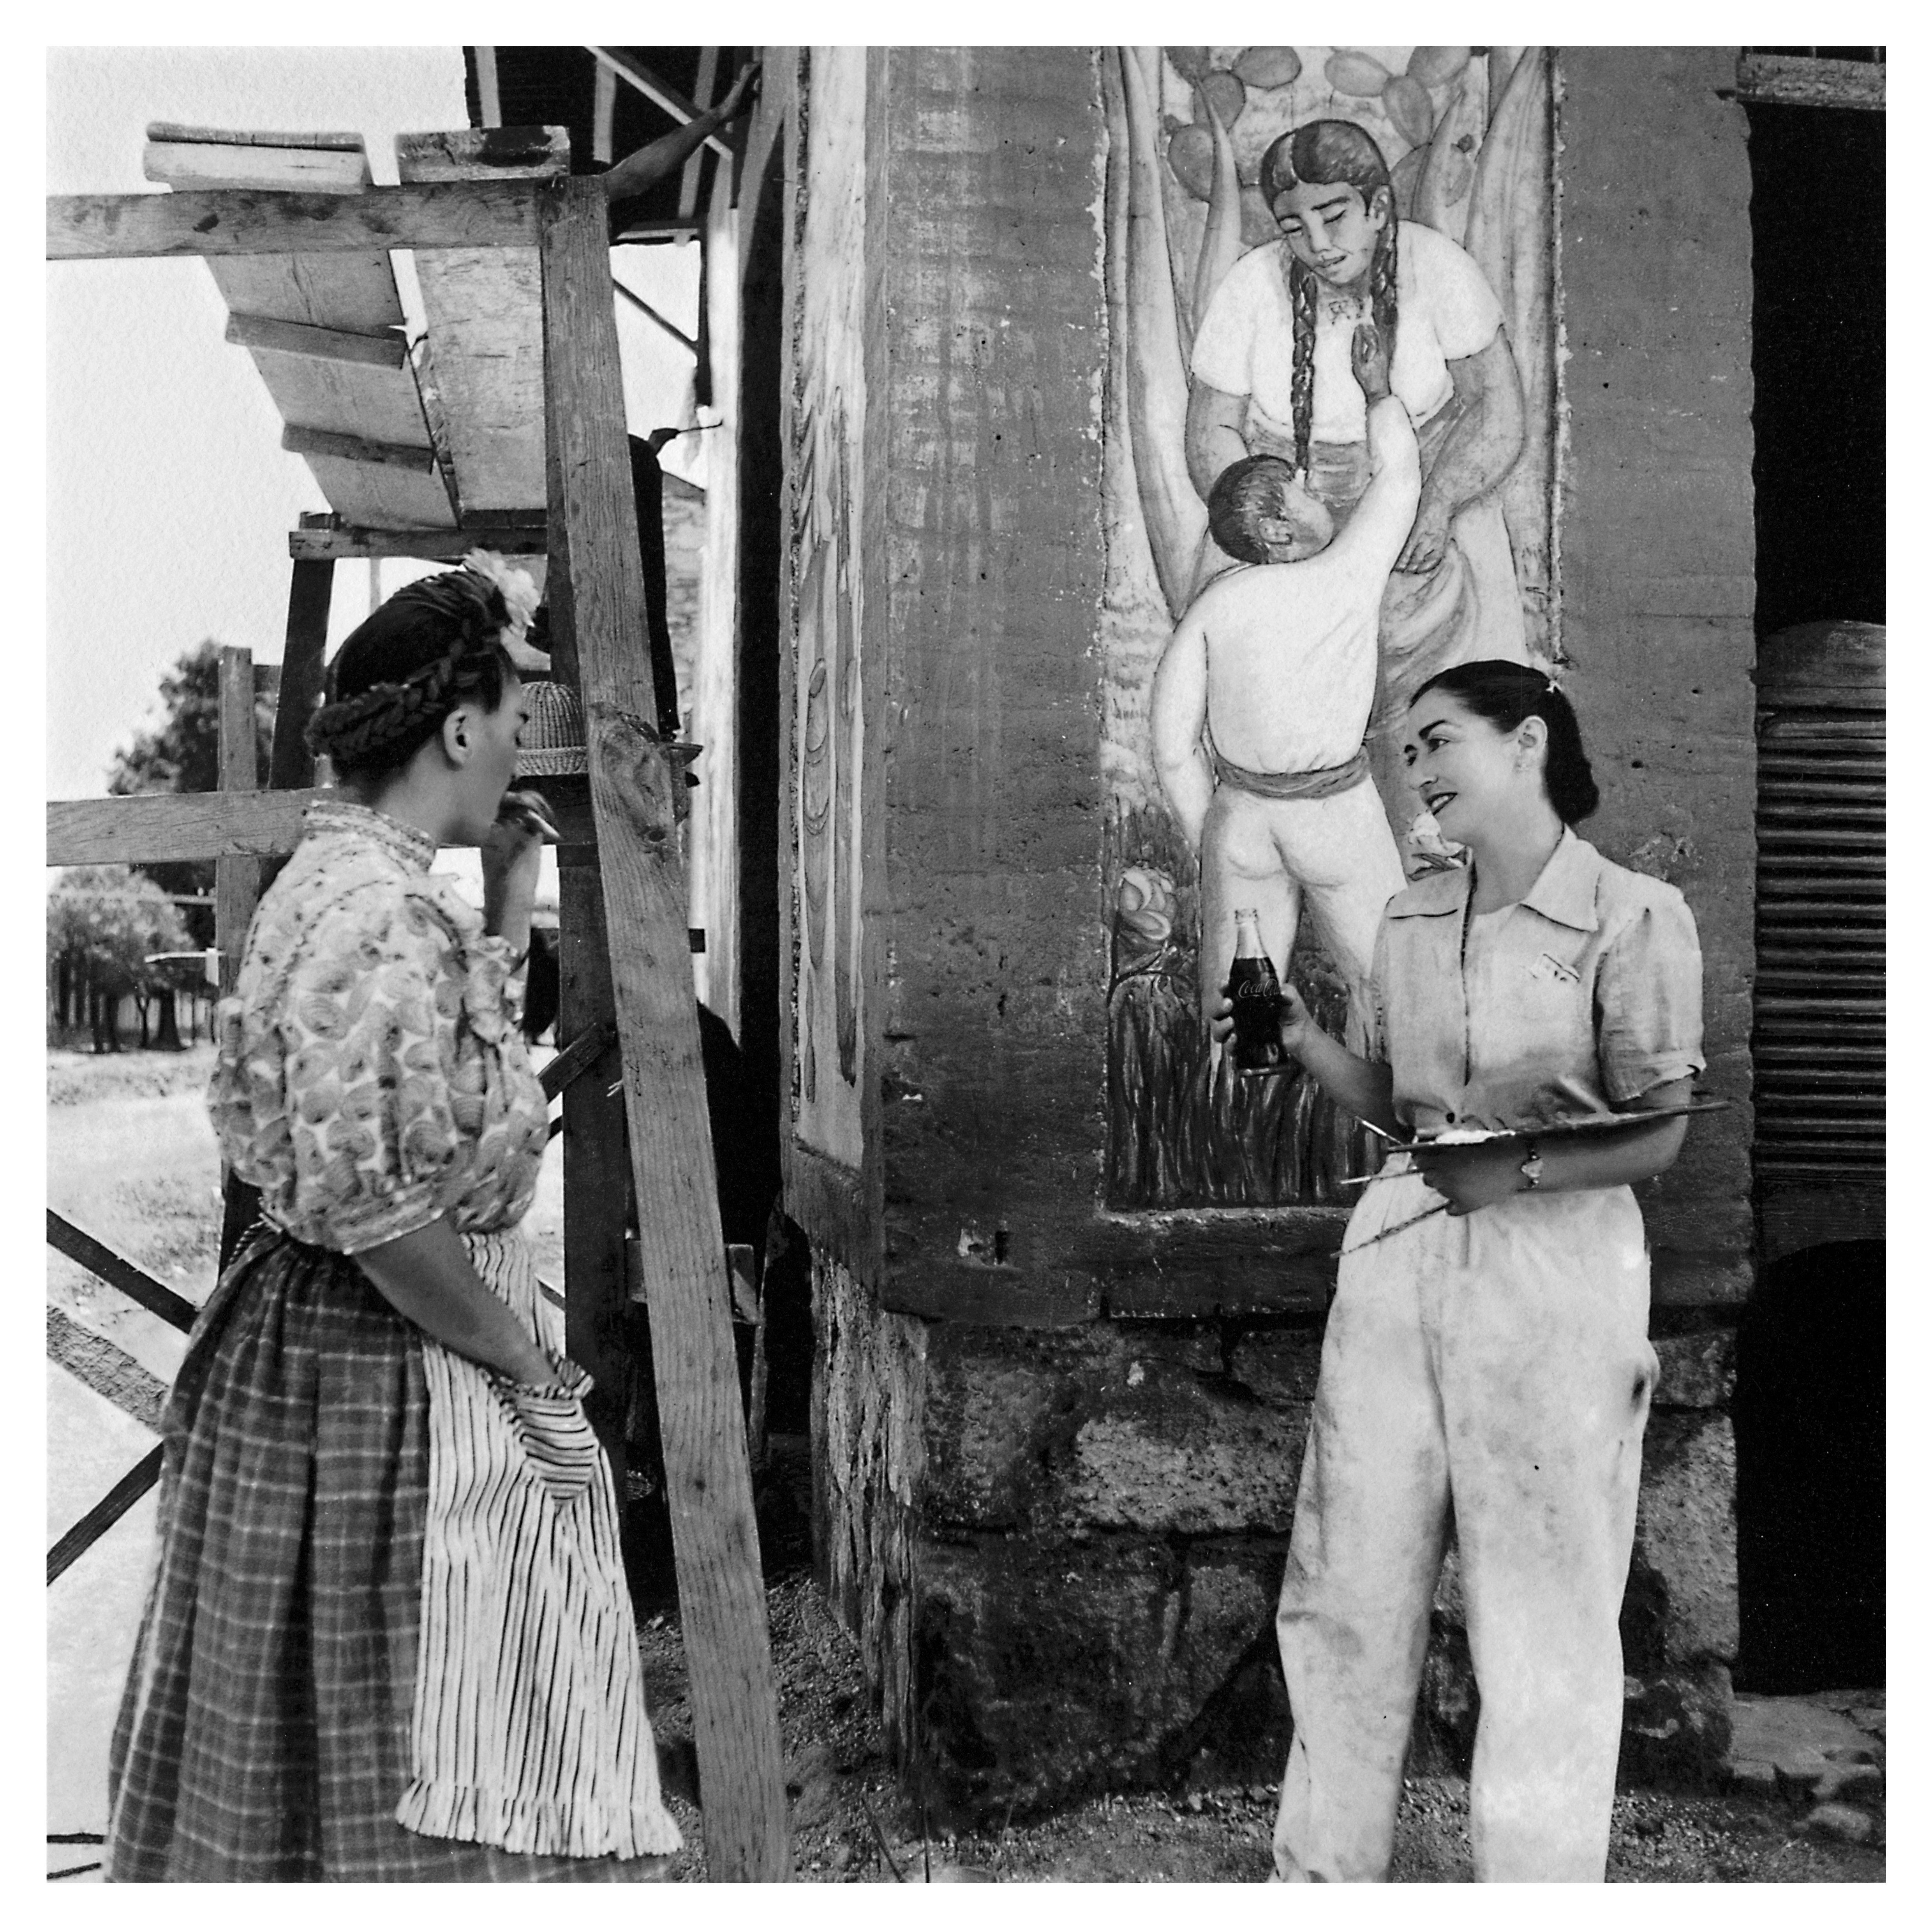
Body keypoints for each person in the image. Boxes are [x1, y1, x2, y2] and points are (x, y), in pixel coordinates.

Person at [104, 567, 683, 1880]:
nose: (523, 736)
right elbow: (383, 1219)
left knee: (375, 1754)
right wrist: (528, 1361)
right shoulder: (376, 915)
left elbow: (438, 1094)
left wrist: (514, 889)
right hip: (379, 1365)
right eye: (515, 709)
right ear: (461, 730)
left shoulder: (356, 882)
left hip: (342, 1340)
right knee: (417, 1742)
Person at [1224, 660, 1705, 1882]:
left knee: (1543, 1611)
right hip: (1402, 1252)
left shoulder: (1633, 915)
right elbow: (1406, 1109)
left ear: (1527, 742)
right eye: (1409, 751)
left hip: (1557, 1268)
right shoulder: (1411, 917)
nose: (1418, 771)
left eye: (1439, 742)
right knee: (1347, 1584)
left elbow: (1663, 1131)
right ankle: (1322, 1878)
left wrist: (1521, 1169)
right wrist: (1303, 1042)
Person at [1185, 120, 1529, 763]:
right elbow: (1211, 432)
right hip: (1286, 515)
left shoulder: (1439, 267)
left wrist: (1437, 506)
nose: (1317, 245)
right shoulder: (1250, 285)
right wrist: (1279, 534)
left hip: (1427, 505)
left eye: (1335, 216)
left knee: (1448, 690)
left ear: (1377, 207)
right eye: (1294, 227)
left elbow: (1499, 408)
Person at [1150, 320, 1410, 1042]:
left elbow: (1173, 749)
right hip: (1335, 816)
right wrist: (1379, 394)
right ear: (1276, 531)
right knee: (1389, 988)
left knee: (1243, 1017)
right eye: (1301, 493)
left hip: (1242, 820)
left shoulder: (1215, 606)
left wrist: (1213, 835)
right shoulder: (1348, 575)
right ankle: (1383, 1105)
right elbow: (1401, 479)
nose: (1318, 496)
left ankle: (1241, 1104)